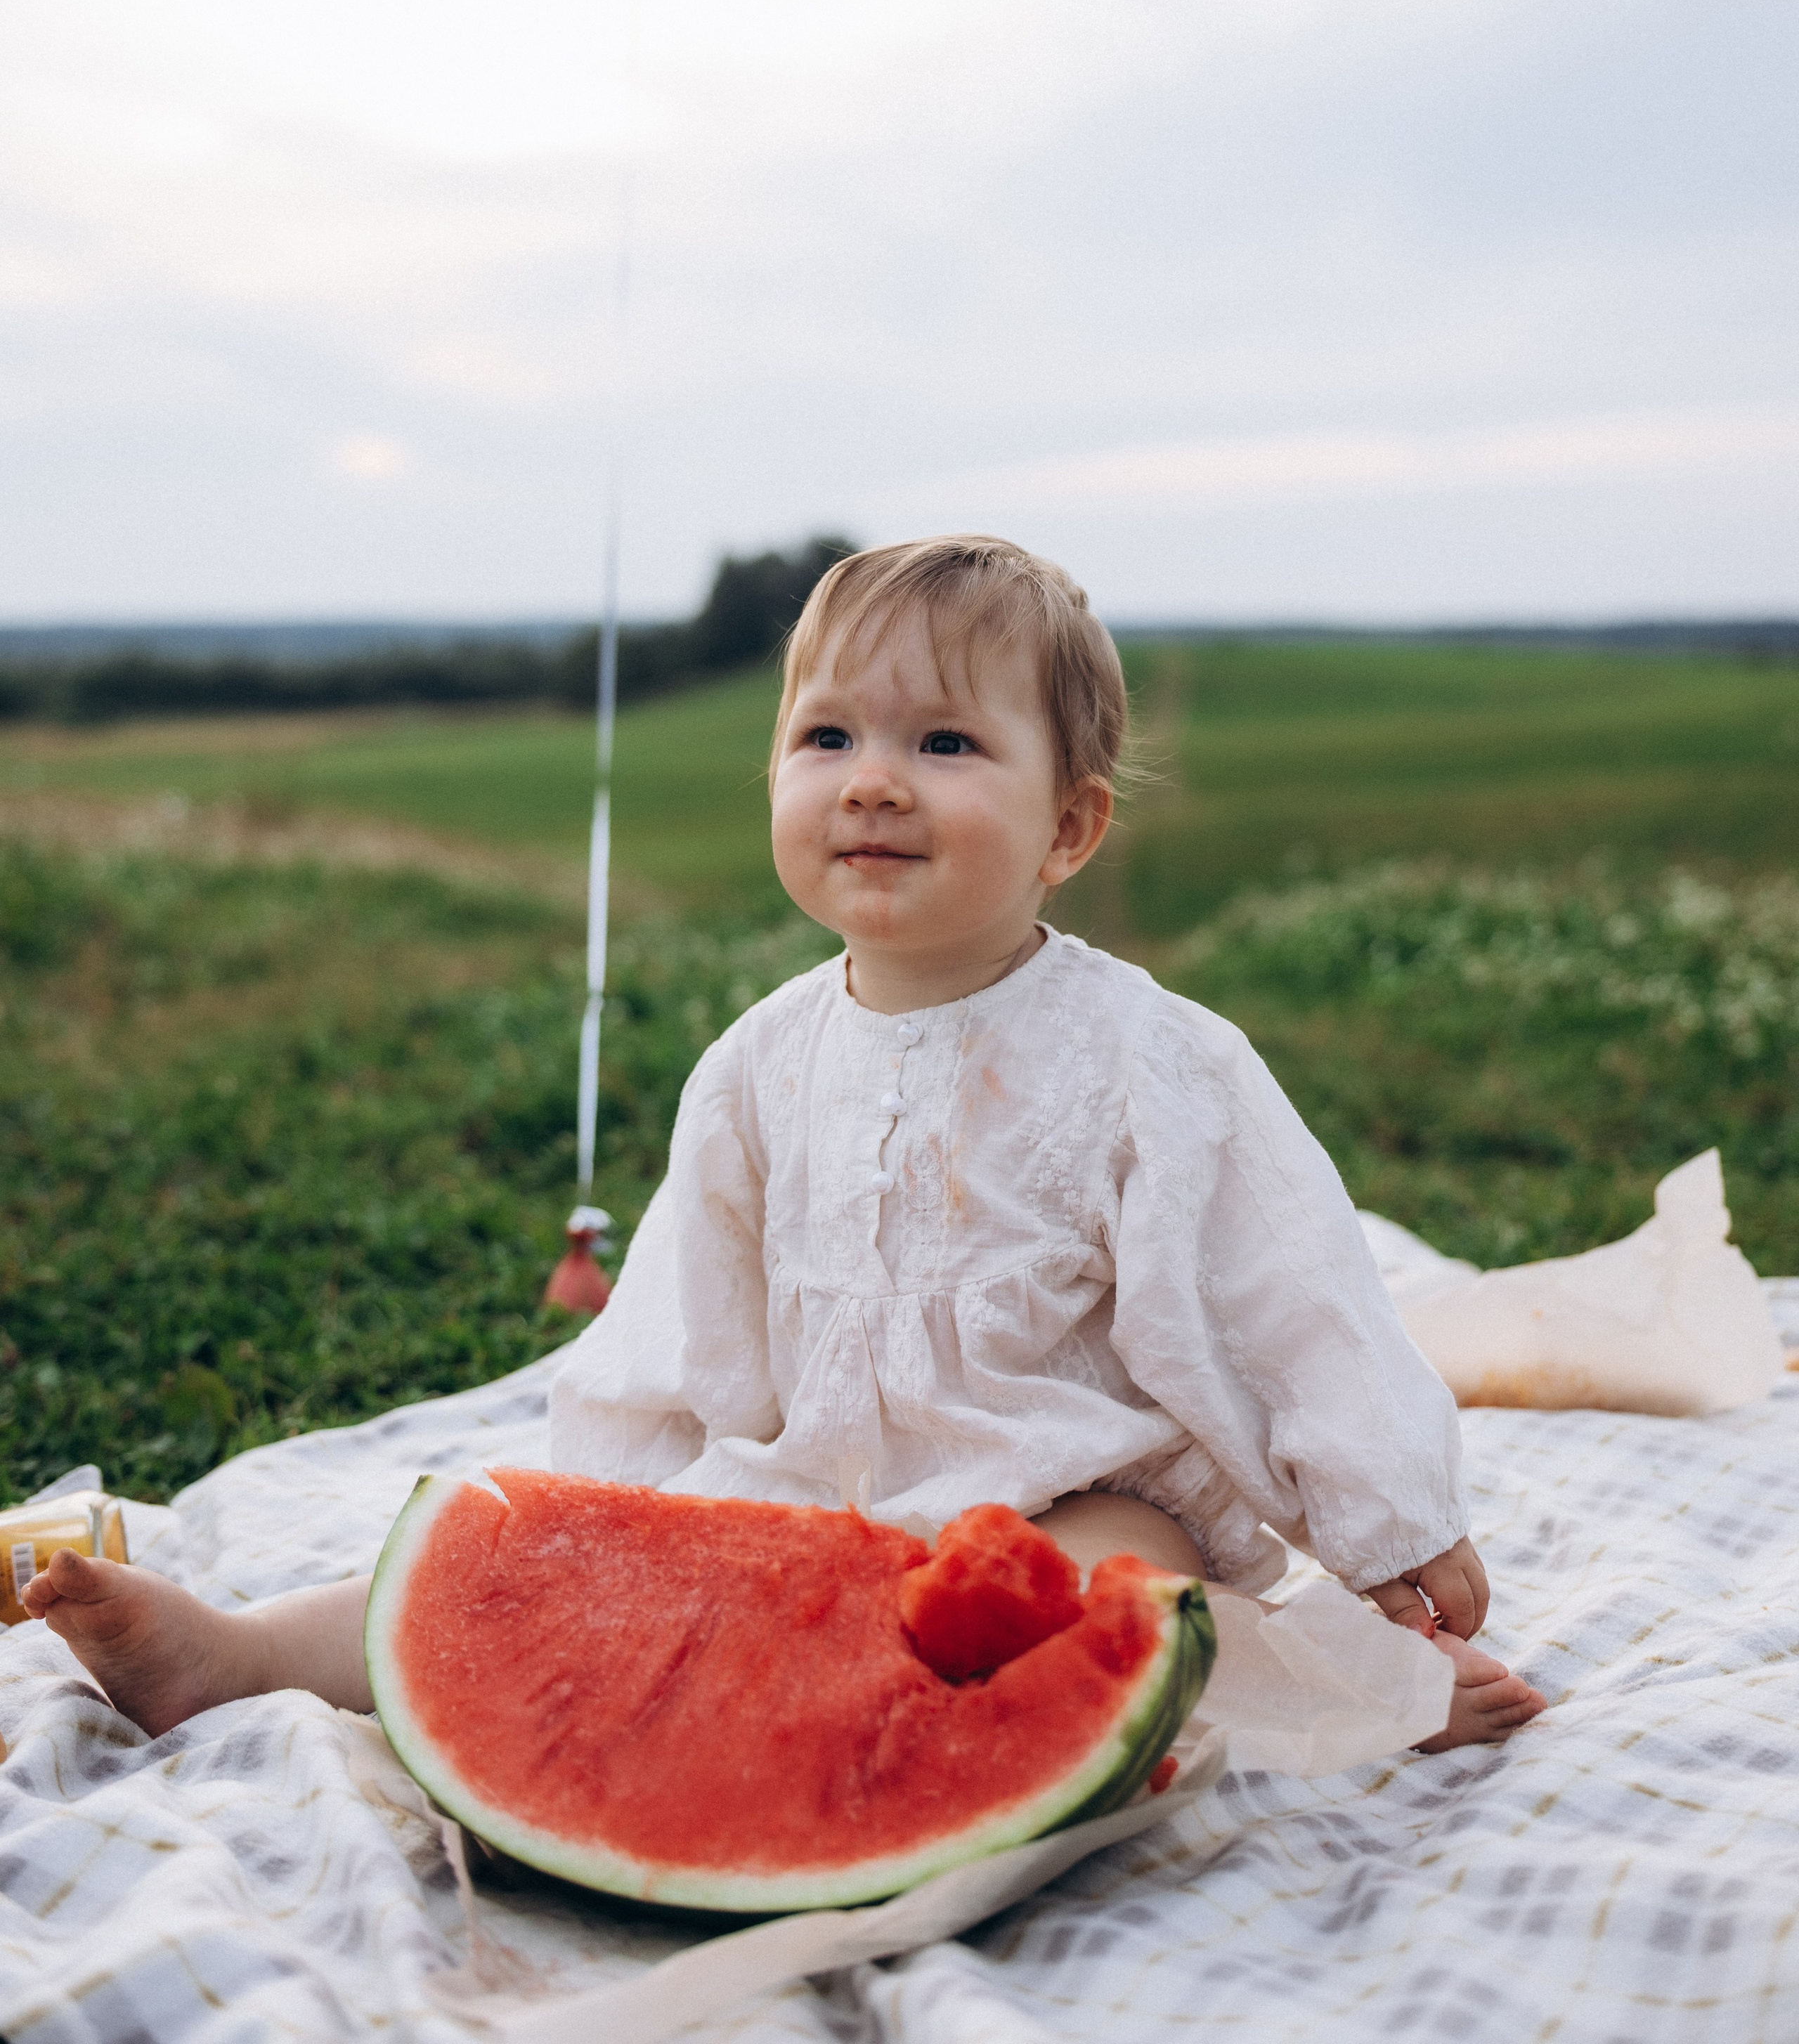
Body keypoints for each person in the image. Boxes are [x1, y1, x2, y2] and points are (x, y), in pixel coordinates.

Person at [25, 535, 1545, 1754]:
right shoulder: (755, 1066)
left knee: (1124, 1575)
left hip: (1060, 1495)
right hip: (809, 1501)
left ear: (1068, 829)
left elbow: (1283, 1295)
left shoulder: (1158, 1065)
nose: (871, 777)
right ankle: (236, 1656)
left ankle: (1134, 1713)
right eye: (827, 736)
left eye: (943, 741)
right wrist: (602, 1518)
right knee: (506, 1558)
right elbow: (683, 1327)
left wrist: (1390, 1527)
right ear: (775, 780)